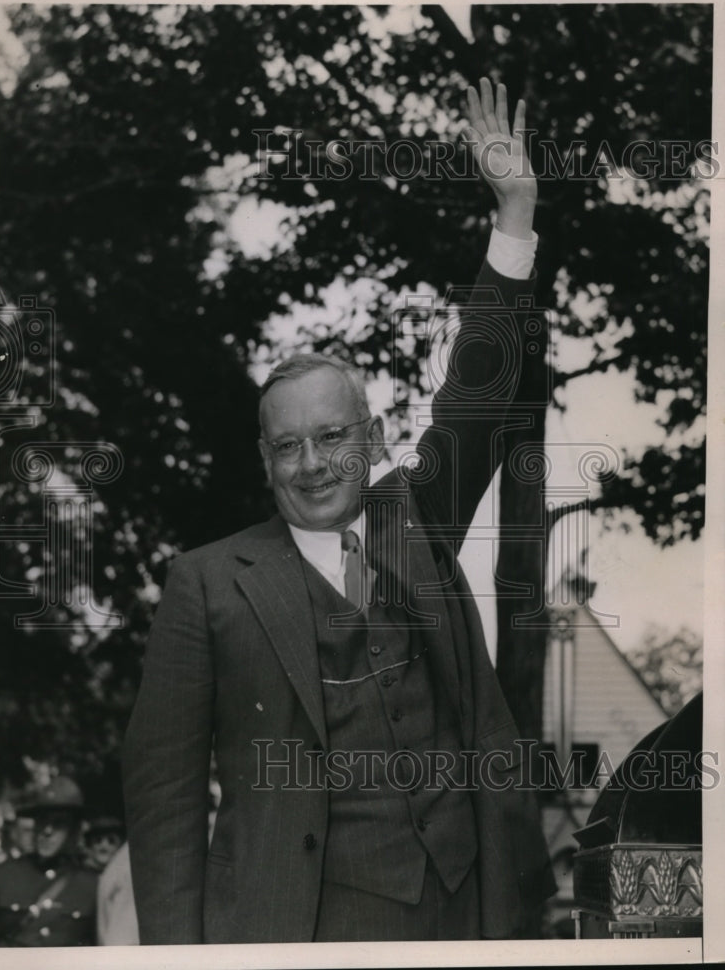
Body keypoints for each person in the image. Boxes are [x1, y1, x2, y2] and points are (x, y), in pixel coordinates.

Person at [123, 78, 556, 943]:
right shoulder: (205, 585)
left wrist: (513, 217)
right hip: (301, 929)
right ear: (265, 459)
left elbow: (474, 396)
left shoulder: (413, 518)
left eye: (330, 436)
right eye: (287, 446)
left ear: (371, 436)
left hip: (465, 911)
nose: (312, 463)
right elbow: (163, 795)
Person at [0, 776, 99, 946]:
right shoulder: (2, 874)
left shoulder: (92, 884)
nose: (47, 831)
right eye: (42, 821)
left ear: (74, 831)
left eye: (58, 823)